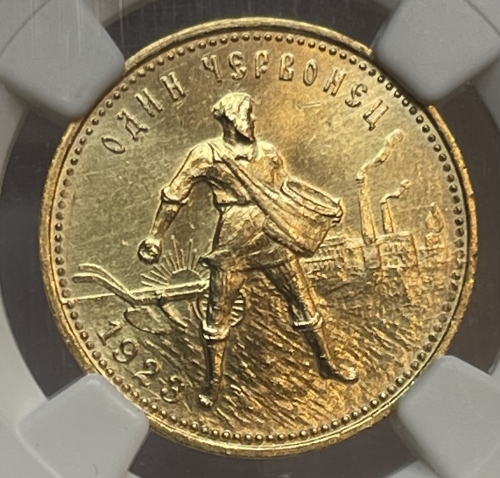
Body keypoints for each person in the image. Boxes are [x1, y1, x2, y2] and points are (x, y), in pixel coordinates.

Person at [138, 92, 357, 408]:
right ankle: (214, 384)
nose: (253, 120)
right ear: (234, 119)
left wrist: (322, 207)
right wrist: (155, 236)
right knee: (218, 311)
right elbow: (175, 195)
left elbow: (287, 190)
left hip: (272, 233)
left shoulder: (267, 152)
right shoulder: (206, 154)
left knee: (302, 300)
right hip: (234, 237)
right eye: (249, 114)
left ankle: (326, 363)